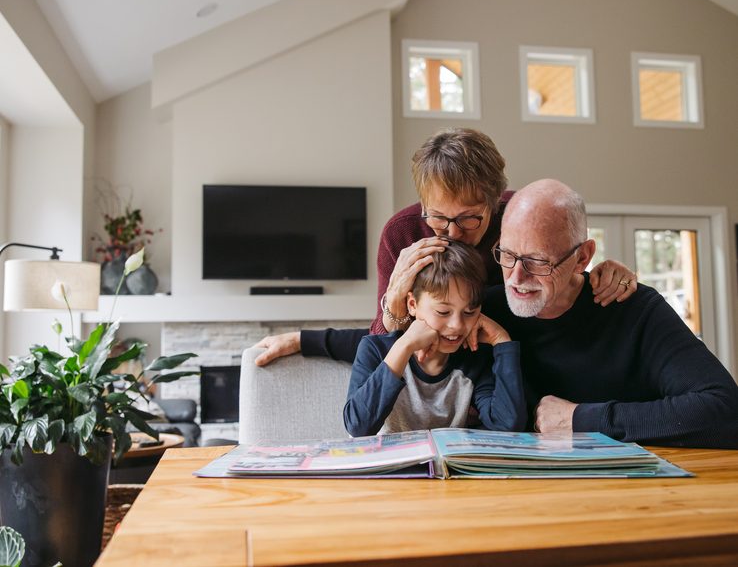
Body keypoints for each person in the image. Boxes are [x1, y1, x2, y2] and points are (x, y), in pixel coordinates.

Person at [254, 128, 636, 365]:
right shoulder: (401, 234)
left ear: (495, 202)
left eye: (469, 218)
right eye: (437, 217)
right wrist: (395, 300)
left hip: (514, 364)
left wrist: (602, 271)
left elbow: (561, 280)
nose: (451, 233)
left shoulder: (520, 215)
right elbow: (379, 344)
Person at [468, 178, 738, 448]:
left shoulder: (634, 308)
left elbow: (725, 409)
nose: (515, 277)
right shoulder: (483, 314)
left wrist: (582, 419)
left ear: (583, 257)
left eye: (537, 261)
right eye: (507, 254)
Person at [344, 240, 525, 437]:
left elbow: (507, 427)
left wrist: (502, 341)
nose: (457, 325)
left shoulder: (474, 358)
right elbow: (357, 426)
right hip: (390, 467)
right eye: (443, 311)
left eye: (469, 312)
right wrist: (403, 347)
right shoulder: (375, 349)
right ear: (412, 304)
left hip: (446, 467)